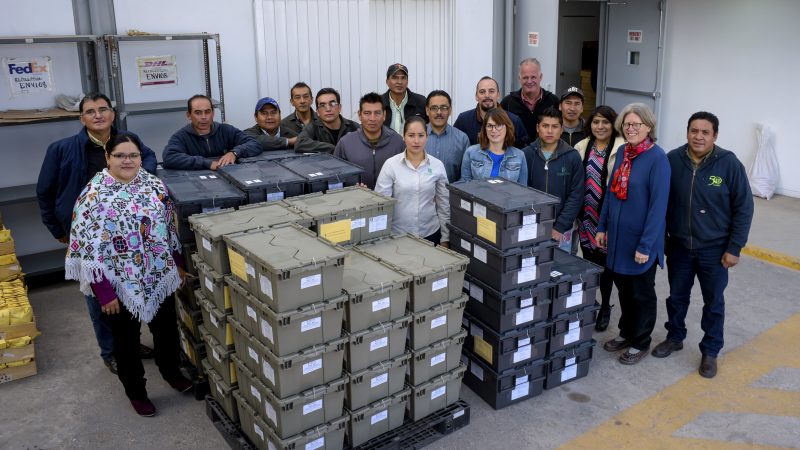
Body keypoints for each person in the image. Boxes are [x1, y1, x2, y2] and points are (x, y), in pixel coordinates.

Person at [64, 133, 193, 417]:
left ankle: (171, 372)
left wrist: (177, 261)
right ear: (107, 158)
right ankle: (136, 392)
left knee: (166, 329)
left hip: (158, 272)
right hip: (118, 283)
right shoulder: (94, 195)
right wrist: (104, 291)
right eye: (120, 155)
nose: (127, 160)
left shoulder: (152, 185)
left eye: (133, 155)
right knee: (126, 342)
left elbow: (168, 229)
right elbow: (86, 246)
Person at [36, 92, 155, 375]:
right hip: (86, 237)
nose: (98, 115)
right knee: (98, 295)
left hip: (126, 236)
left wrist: (137, 177)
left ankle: (131, 342)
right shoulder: (61, 149)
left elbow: (148, 159)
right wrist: (58, 230)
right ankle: (110, 351)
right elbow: (44, 192)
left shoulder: (128, 141)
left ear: (113, 114)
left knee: (129, 291)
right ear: (82, 119)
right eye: (91, 111)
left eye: (103, 109)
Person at [651, 112, 754, 378]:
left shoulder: (729, 164)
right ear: (687, 132)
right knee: (677, 297)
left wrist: (735, 248)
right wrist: (662, 239)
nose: (698, 136)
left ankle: (710, 351)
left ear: (715, 136)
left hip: (714, 250)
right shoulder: (673, 160)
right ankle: (675, 337)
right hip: (680, 247)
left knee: (713, 302)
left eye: (705, 132)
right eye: (694, 131)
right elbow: (661, 202)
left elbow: (744, 208)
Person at [596, 103, 670, 365]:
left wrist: (646, 245)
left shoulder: (657, 159)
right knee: (624, 292)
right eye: (627, 124)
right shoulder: (624, 153)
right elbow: (610, 194)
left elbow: (657, 207)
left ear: (648, 127)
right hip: (618, 241)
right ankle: (627, 333)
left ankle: (641, 341)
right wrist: (602, 226)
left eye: (636, 124)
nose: (630, 129)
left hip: (640, 244)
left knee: (641, 294)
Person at [575, 106, 626, 332]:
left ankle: (605, 306)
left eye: (605, 122)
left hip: (606, 219)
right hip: (586, 216)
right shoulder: (583, 146)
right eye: (596, 122)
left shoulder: (622, 148)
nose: (600, 126)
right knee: (589, 263)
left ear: (612, 124)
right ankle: (590, 302)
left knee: (606, 269)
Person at [375, 116, 450, 247]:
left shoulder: (437, 166)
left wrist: (445, 238)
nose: (416, 141)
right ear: (403, 137)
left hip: (430, 233)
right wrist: (381, 238)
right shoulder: (391, 165)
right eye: (411, 135)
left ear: (427, 137)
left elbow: (444, 204)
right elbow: (381, 205)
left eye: (421, 135)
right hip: (398, 235)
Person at [521, 107, 584, 252]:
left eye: (555, 126)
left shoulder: (572, 157)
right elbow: (521, 192)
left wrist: (560, 226)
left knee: (560, 269)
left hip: (562, 230)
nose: (550, 131)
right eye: (545, 126)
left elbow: (576, 195)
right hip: (531, 227)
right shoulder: (526, 155)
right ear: (538, 128)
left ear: (561, 129)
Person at [162, 95, 261, 170]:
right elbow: (169, 157)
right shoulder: (181, 137)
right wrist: (206, 163)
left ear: (213, 113)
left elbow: (254, 143)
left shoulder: (226, 130)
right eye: (198, 113)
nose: (204, 117)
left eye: (207, 112)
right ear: (188, 115)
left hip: (229, 179)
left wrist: (234, 153)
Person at [334, 92, 404, 189]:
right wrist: (352, 188)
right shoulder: (345, 143)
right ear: (359, 115)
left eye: (377, 113)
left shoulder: (397, 142)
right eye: (367, 113)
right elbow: (335, 179)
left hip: (391, 201)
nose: (372, 118)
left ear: (384, 115)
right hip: (356, 201)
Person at [454, 76, 529, 148]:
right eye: (482, 92)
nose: (487, 95)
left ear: (498, 95)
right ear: (476, 96)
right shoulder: (463, 120)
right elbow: (455, 148)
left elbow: (523, 152)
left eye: (491, 91)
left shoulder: (513, 121)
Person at [460, 108, 528, 184]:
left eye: (498, 125)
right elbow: (464, 186)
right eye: (489, 126)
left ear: (507, 127)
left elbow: (522, 190)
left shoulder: (519, 156)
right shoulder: (471, 153)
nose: (494, 130)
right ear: (484, 129)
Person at [500, 58, 559, 141]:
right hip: (516, 152)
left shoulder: (553, 101)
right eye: (525, 77)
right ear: (519, 78)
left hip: (545, 152)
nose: (529, 81)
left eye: (533, 77)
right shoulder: (507, 103)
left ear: (541, 77)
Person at [295, 87, 360, 154]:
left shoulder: (354, 127)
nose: (328, 109)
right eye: (322, 105)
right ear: (318, 112)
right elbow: (299, 144)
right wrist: (333, 148)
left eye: (332, 104)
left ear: (339, 108)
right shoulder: (313, 127)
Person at [425, 90, 470, 182]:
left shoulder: (462, 139)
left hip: (451, 194)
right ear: (427, 110)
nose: (439, 112)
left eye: (444, 108)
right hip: (421, 194)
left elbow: (466, 176)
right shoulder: (416, 137)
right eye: (434, 108)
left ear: (450, 110)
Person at [381, 63, 428, 134]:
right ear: (387, 82)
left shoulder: (421, 102)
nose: (399, 82)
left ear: (407, 81)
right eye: (395, 78)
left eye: (403, 78)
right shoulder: (379, 103)